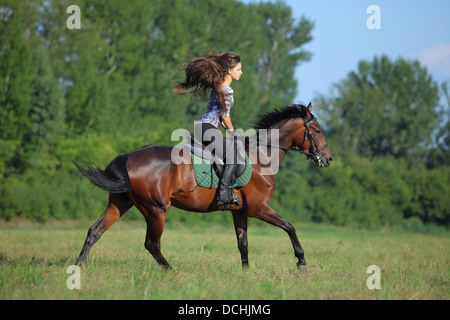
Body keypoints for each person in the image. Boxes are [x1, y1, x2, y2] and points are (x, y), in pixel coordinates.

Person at [173, 51, 243, 206]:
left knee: (224, 154)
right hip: (208, 129)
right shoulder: (228, 90)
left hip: (202, 128)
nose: (241, 72)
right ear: (230, 71)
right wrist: (232, 132)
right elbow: (225, 117)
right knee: (231, 157)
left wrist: (229, 129)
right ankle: (223, 195)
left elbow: (221, 117)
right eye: (239, 69)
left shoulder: (218, 87)